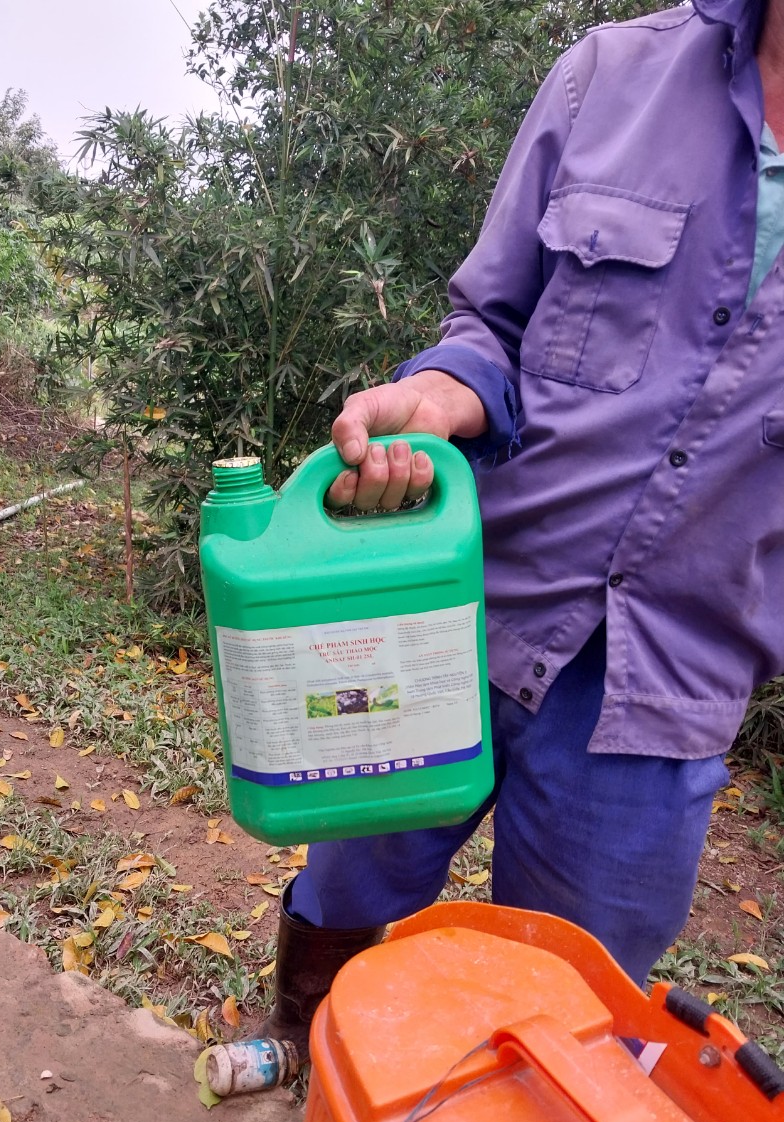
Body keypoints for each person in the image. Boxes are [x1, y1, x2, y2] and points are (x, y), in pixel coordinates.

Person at [257, 0, 784, 1064]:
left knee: (565, 1010)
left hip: (666, 685)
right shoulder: (609, 76)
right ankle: (301, 1061)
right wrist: (441, 394)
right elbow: (490, 323)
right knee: (347, 885)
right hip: (463, 611)